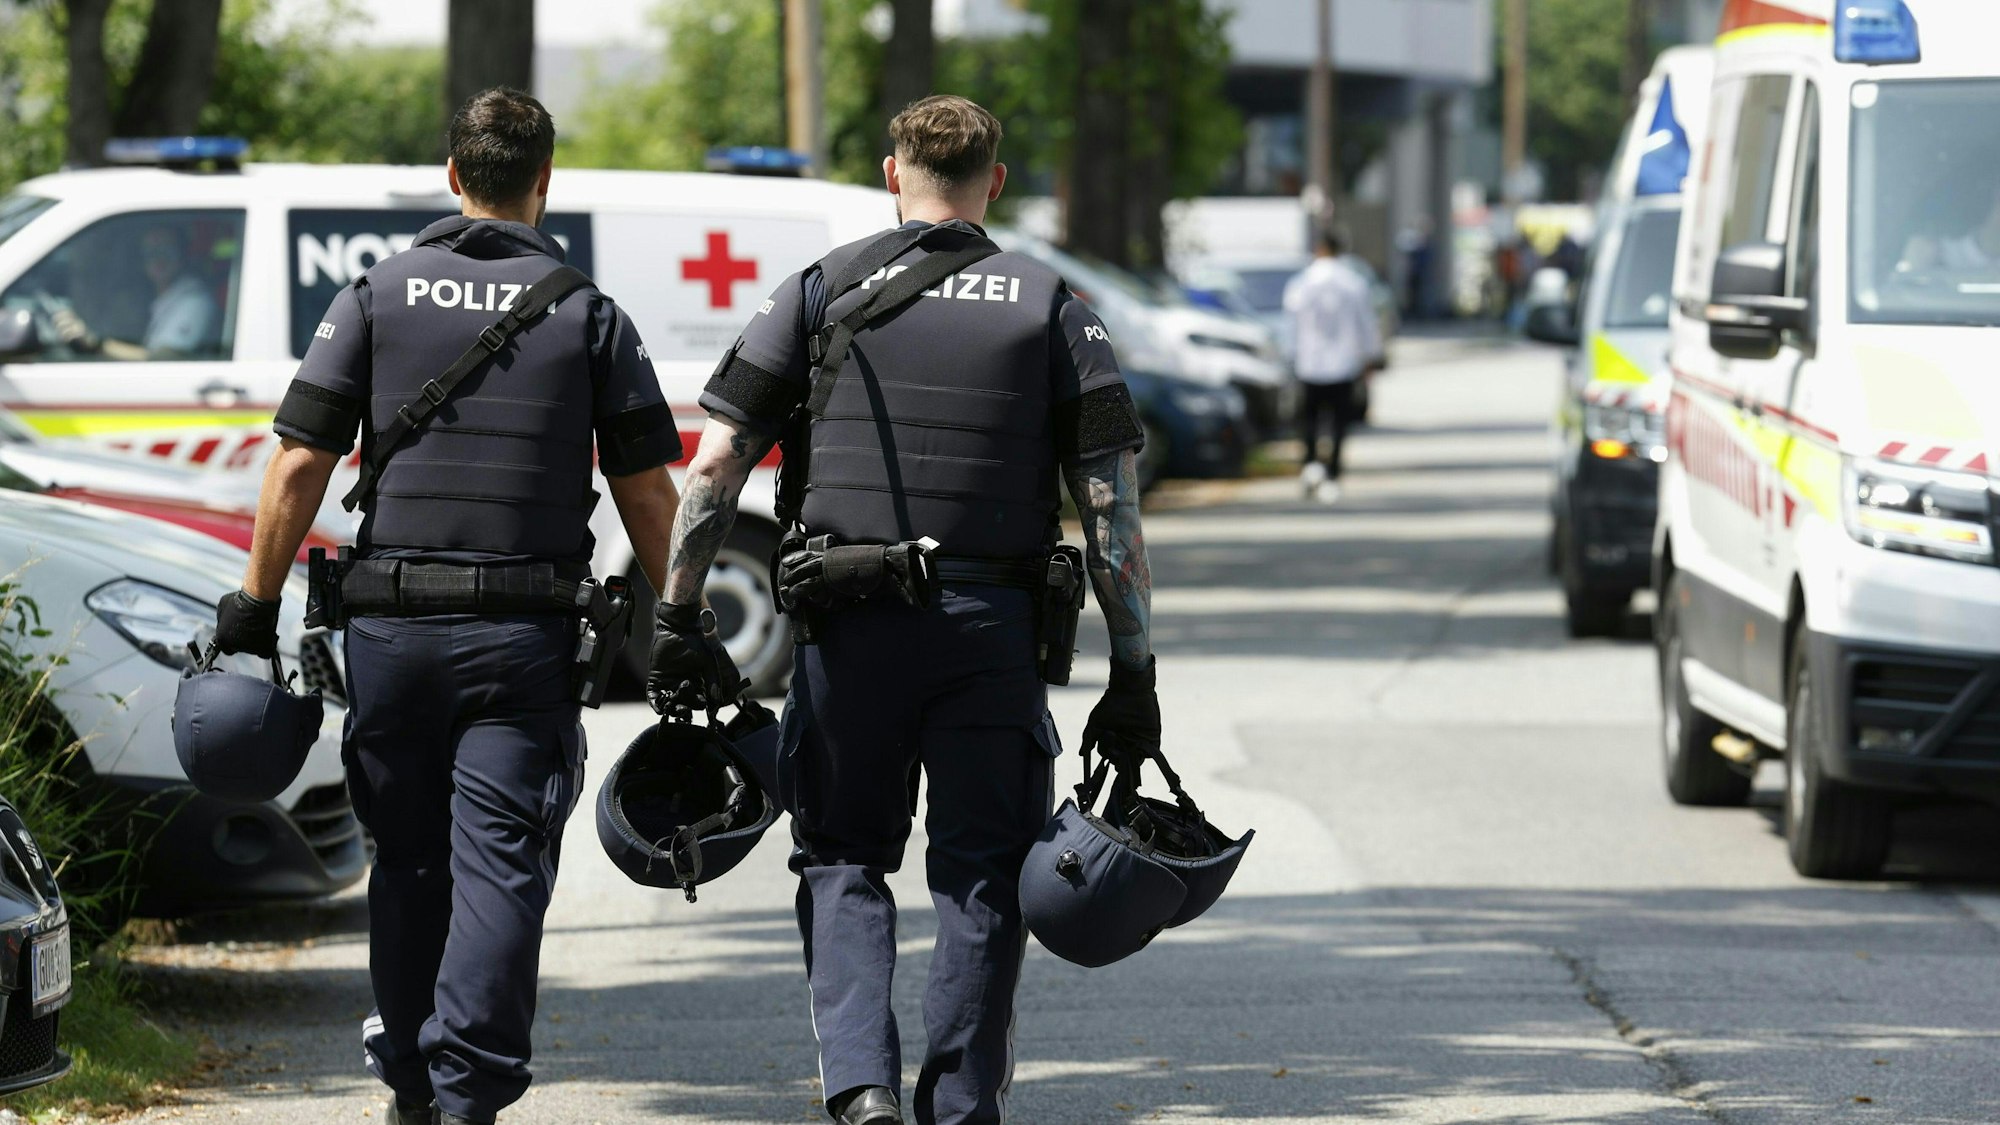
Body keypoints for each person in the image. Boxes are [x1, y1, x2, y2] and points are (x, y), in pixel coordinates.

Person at [652, 94, 1159, 1125]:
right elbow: (1110, 511)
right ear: (995, 183)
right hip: (993, 629)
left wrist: (674, 616)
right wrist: (1133, 672)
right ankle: (962, 1101)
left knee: (841, 854)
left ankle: (860, 1086)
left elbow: (713, 468)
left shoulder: (817, 289)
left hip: (849, 623)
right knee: (979, 871)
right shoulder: (1053, 303)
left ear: (892, 173)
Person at [207, 88, 682, 1125]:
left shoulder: (374, 296)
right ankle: (468, 1092)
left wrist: (253, 605)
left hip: (394, 638)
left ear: (454, 175)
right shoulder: (589, 312)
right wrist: (681, 624)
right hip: (523, 643)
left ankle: (414, 1092)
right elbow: (648, 491)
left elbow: (298, 462)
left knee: (409, 862)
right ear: (543, 183)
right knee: (502, 868)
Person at [1283, 231, 1383, 503]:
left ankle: (1310, 465)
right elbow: (1367, 324)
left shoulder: (1301, 283)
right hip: (1343, 363)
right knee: (1339, 421)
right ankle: (1332, 473)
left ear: (1318, 249)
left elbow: (1291, 325)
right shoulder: (1353, 283)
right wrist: (1371, 357)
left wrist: (1289, 356)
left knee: (1309, 420)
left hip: (1309, 363)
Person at [52, 222, 220, 359]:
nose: (158, 259)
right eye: (150, 253)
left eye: (166, 251)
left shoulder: (195, 301)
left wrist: (98, 344)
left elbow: (164, 359)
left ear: (182, 254)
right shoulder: (160, 298)